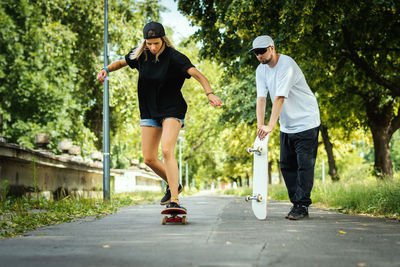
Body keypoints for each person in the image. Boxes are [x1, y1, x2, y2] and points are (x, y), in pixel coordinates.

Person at [97, 22, 222, 211]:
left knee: (166, 150)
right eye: (149, 43)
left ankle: (174, 199)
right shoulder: (140, 54)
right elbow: (121, 63)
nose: (152, 47)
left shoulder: (174, 57)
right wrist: (106, 69)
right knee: (148, 158)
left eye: (156, 43)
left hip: (172, 109)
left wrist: (209, 93)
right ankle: (176, 184)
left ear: (163, 40)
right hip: (149, 110)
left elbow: (197, 74)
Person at [250, 35, 320, 220]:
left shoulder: (287, 65)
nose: (260, 56)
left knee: (304, 166)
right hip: (287, 125)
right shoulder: (261, 70)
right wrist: (260, 126)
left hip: (306, 121)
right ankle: (296, 203)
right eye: (256, 53)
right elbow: (261, 98)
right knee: (287, 165)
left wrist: (270, 125)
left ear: (272, 48)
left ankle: (302, 205)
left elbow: (280, 97)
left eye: (262, 51)